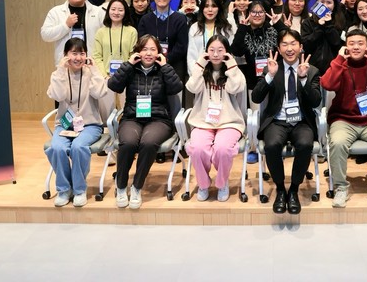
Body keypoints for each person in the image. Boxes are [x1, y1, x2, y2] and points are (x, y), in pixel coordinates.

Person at [320, 29, 367, 208]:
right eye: (351, 43)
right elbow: (327, 84)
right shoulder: (340, 66)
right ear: (346, 47)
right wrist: (339, 60)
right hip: (343, 120)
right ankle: (341, 187)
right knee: (338, 143)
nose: (356, 47)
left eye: (360, 43)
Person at [108, 35, 183, 209]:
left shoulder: (163, 69)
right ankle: (121, 186)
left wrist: (165, 66)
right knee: (128, 143)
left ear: (159, 53)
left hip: (159, 119)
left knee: (148, 143)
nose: (148, 53)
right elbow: (113, 85)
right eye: (144, 49)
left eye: (153, 49)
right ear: (138, 52)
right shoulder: (130, 69)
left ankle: (136, 187)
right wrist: (127, 64)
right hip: (132, 117)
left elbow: (176, 88)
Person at [252, 29, 322, 214]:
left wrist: (303, 78)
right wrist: (270, 76)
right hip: (277, 121)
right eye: (284, 44)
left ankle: (294, 190)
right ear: (278, 48)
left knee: (305, 144)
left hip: (301, 121)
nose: (289, 48)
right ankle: (281, 189)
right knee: (272, 145)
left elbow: (316, 101)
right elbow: (256, 98)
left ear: (300, 47)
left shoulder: (311, 71)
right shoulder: (271, 68)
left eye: (293, 44)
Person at [45, 38, 109, 207]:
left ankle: (79, 189)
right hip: (65, 125)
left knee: (78, 147)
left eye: (82, 53)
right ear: (66, 55)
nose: (78, 57)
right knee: (56, 148)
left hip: (90, 125)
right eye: (74, 53)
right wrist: (61, 70)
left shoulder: (91, 72)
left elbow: (99, 93)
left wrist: (95, 70)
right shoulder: (58, 74)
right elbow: (58, 96)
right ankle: (64, 189)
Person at [185, 35, 246, 202]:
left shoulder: (234, 72)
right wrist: (199, 65)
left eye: (220, 50)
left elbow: (235, 88)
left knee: (223, 148)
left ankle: (222, 182)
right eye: (211, 50)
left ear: (227, 52)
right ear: (206, 52)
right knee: (197, 148)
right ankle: (203, 184)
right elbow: (192, 87)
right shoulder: (201, 71)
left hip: (229, 122)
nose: (216, 54)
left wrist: (232, 66)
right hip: (203, 122)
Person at [41, 0, 104, 67]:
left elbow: (105, 36)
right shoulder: (56, 12)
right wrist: (66, 25)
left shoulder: (98, 12)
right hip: (66, 64)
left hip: (91, 64)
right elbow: (45, 35)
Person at [137, 0, 190, 82]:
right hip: (150, 65)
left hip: (175, 67)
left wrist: (165, 59)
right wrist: (154, 58)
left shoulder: (180, 19)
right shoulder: (145, 20)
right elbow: (141, 44)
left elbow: (181, 46)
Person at [230, 0, 281, 88]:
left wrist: (278, 23)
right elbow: (236, 51)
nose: (257, 15)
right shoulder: (244, 31)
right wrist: (242, 27)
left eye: (260, 12)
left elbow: (290, 41)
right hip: (252, 82)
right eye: (253, 12)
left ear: (265, 14)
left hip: (275, 79)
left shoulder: (273, 30)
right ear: (248, 14)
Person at [186, 0, 237, 75]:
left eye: (214, 6)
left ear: (219, 8)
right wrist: (196, 74)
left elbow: (231, 54)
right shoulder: (194, 28)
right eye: (206, 6)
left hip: (223, 74)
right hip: (199, 74)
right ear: (202, 8)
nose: (210, 10)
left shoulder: (226, 28)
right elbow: (191, 56)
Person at [300, 0, 346, 75]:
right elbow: (306, 45)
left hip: (334, 70)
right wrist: (319, 27)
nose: (325, 6)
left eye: (329, 2)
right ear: (317, 3)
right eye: (322, 2)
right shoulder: (308, 22)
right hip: (311, 70)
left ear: (334, 4)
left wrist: (328, 25)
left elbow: (338, 44)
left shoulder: (341, 21)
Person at [92, 0, 138, 80]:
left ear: (125, 12)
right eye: (113, 9)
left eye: (120, 10)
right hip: (105, 78)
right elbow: (97, 56)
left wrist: (124, 74)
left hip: (126, 77)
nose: (116, 13)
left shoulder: (132, 31)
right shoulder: (100, 32)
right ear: (108, 11)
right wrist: (105, 76)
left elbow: (132, 55)